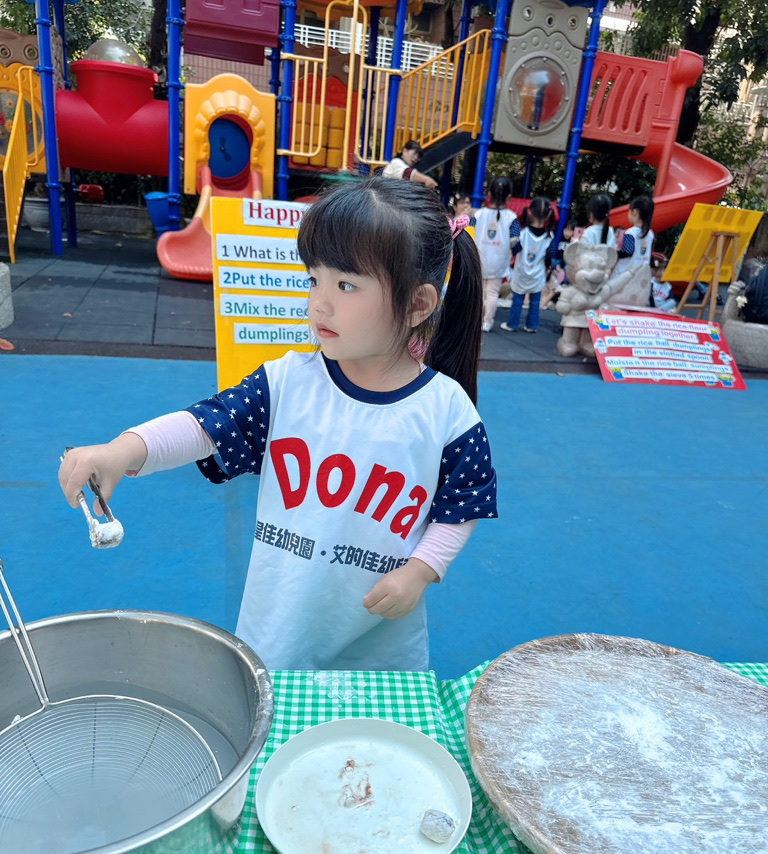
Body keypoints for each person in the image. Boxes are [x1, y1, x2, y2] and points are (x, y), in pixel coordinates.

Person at [59, 180, 497, 674]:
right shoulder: (286, 382)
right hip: (279, 636)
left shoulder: (447, 411)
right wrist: (123, 449)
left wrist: (420, 570)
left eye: (346, 285)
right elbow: (207, 424)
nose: (319, 303)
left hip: (381, 648)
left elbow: (462, 504)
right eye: (314, 279)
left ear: (418, 304)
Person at [500, 196, 556, 333]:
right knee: (535, 302)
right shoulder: (550, 237)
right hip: (538, 275)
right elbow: (550, 256)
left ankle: (512, 324)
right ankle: (532, 326)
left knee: (517, 300)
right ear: (549, 214)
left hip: (521, 273)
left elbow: (515, 249)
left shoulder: (522, 233)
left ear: (529, 212)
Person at [473, 176, 520, 332]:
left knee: (479, 293)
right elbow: (515, 241)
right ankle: (487, 322)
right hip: (499, 262)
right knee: (492, 293)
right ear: (509, 197)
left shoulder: (479, 214)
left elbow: (470, 233)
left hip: (479, 258)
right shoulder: (511, 218)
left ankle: (476, 320)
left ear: (489, 195)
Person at [614, 195, 654, 275]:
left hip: (625, 275)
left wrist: (615, 251)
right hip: (641, 274)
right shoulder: (650, 233)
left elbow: (626, 252)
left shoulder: (630, 233)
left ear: (634, 212)